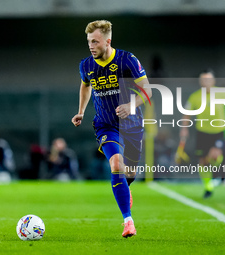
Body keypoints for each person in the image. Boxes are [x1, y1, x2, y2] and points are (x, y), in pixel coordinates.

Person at [71, 20, 152, 238]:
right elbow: (85, 85)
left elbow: (147, 90)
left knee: (130, 173)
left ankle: (126, 187)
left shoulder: (127, 59)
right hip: (106, 124)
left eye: (95, 41)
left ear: (108, 41)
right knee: (116, 163)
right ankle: (128, 221)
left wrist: (131, 105)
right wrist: (81, 111)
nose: (91, 45)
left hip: (132, 124)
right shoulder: (86, 65)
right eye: (89, 41)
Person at [179, 69, 225, 199]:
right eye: (203, 80)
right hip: (202, 132)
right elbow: (187, 114)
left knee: (214, 156)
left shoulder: (224, 94)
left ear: (213, 81)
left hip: (218, 131)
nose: (205, 82)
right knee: (203, 161)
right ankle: (208, 186)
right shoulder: (195, 96)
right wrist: (184, 128)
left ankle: (215, 174)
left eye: (208, 79)